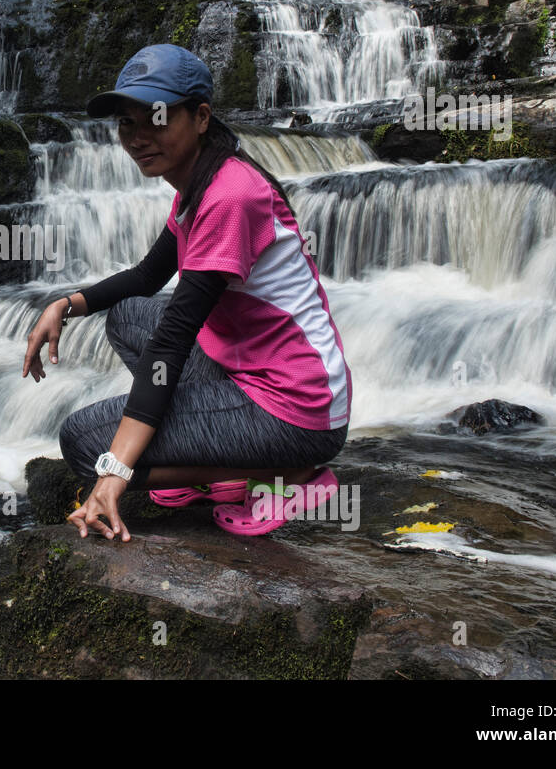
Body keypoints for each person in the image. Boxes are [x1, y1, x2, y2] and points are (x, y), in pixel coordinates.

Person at [20, 44, 352, 542]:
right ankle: (207, 458)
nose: (137, 137)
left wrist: (115, 473)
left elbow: (174, 338)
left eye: (156, 118)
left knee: (86, 444)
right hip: (250, 370)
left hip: (297, 408)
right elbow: (149, 276)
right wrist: (65, 305)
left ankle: (285, 475)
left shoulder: (231, 196)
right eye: (126, 123)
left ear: (200, 117)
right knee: (128, 314)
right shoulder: (200, 181)